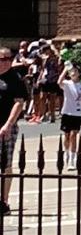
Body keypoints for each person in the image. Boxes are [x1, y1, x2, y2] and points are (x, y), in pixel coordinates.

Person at [0, 47, 29, 216]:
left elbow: (19, 103)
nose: (4, 62)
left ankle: (3, 201)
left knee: (5, 165)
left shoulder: (15, 79)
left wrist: (8, 124)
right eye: (1, 59)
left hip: (6, 127)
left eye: (6, 59)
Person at [58, 62, 81, 165]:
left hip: (77, 113)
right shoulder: (67, 83)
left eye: (75, 71)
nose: (73, 73)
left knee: (73, 135)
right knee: (66, 135)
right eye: (72, 71)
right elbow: (59, 81)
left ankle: (72, 158)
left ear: (79, 73)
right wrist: (65, 69)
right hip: (66, 112)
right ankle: (66, 153)